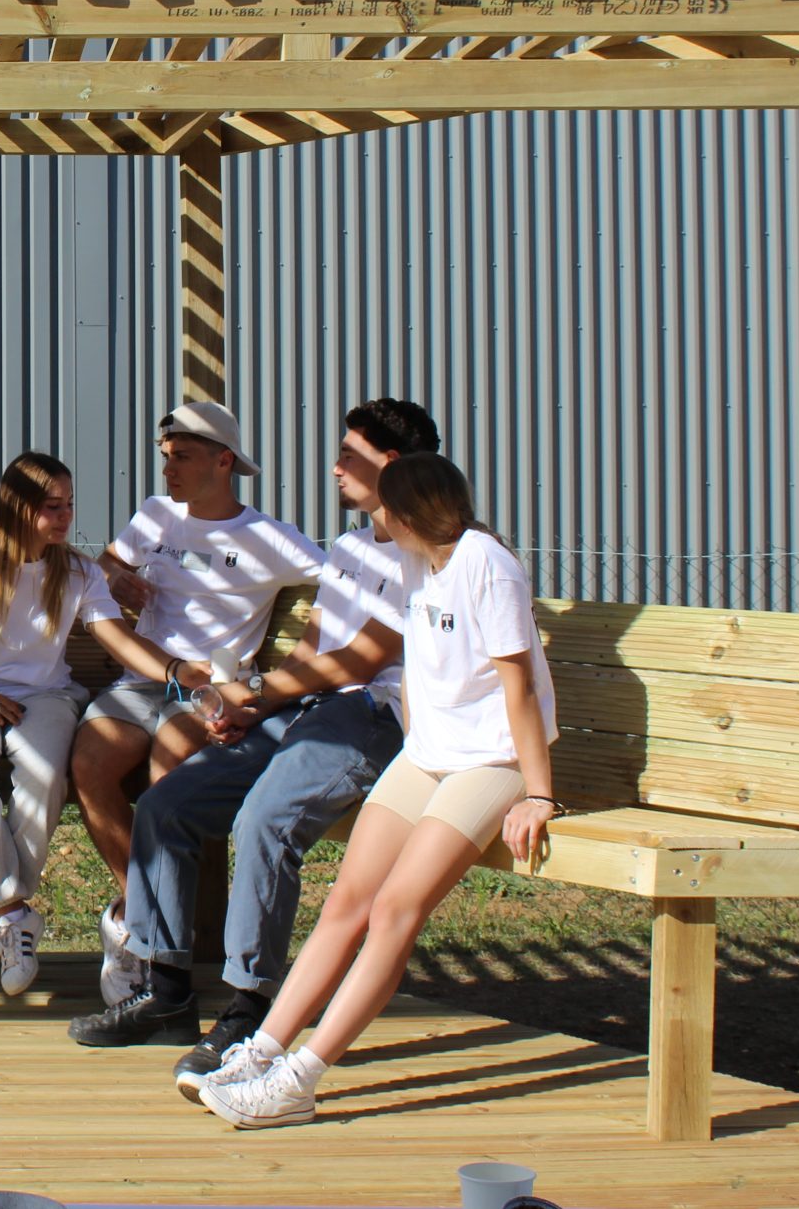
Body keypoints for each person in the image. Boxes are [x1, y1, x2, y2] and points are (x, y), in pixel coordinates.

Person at [69, 399, 438, 1098]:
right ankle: (166, 992)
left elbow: (363, 659)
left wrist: (259, 690)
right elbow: (316, 643)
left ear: (391, 465)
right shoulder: (350, 548)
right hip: (304, 707)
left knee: (265, 819)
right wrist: (255, 706)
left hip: (368, 716)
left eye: (349, 455)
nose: (335, 467)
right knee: (167, 804)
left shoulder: (423, 556)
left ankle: (246, 1010)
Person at [197, 450, 559, 1128]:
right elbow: (421, 670)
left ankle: (300, 1080)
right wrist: (416, 755)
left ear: (407, 513)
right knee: (346, 902)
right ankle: (262, 1050)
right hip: (429, 754)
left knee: (395, 909)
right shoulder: (418, 563)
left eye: (383, 506)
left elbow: (518, 690)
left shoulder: (487, 564)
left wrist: (537, 793)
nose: (374, 515)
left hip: (492, 759)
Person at [71, 401, 326, 1008]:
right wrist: (118, 577)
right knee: (89, 765)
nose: (168, 471)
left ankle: (154, 950)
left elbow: (345, 580)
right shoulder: (156, 515)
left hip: (208, 692)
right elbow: (106, 565)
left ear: (224, 461)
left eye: (181, 458)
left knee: (168, 779)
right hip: (139, 680)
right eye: (165, 458)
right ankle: (136, 916)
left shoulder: (269, 538)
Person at [0, 451, 157, 996]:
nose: (65, 516)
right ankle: (14, 912)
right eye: (52, 506)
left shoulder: (78, 573)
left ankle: (2, 908)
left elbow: (116, 638)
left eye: (69, 504)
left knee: (46, 776)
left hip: (47, 696)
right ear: (18, 507)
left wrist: (174, 671)